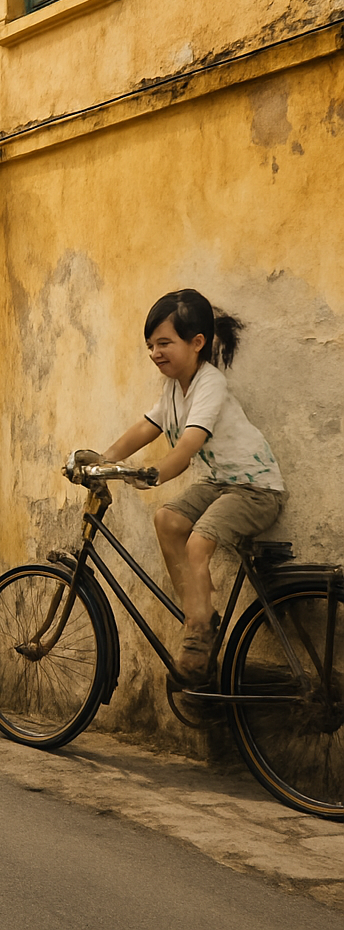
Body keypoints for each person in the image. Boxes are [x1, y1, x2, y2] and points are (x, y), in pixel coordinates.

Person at [87, 289, 286, 685]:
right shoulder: (173, 388)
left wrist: (155, 473)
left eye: (164, 343)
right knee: (168, 520)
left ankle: (198, 631)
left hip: (255, 490)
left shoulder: (209, 384)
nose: (155, 353)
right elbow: (145, 428)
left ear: (197, 343)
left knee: (198, 542)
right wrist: (101, 460)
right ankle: (200, 616)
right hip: (221, 484)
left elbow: (189, 443)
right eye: (150, 345)